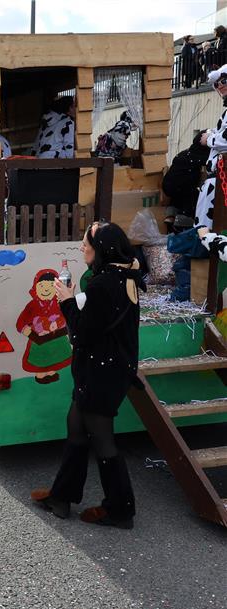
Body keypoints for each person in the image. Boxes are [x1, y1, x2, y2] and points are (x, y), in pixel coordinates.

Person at [31, 222, 141, 529]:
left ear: (102, 250)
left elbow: (81, 333)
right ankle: (61, 496)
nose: (82, 248)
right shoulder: (125, 274)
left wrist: (66, 300)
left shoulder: (103, 285)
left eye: (86, 245)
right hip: (109, 368)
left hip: (101, 372)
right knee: (76, 426)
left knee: (102, 438)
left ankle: (120, 509)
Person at [195, 64, 227, 230]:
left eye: (224, 80)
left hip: (222, 181)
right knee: (205, 227)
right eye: (216, 84)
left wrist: (209, 139)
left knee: (211, 229)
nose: (220, 86)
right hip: (217, 181)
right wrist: (212, 132)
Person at [162, 130, 210, 221]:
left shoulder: (185, 153)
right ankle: (184, 217)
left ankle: (171, 214)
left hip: (167, 185)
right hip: (180, 188)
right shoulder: (201, 156)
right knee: (194, 193)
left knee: (182, 188)